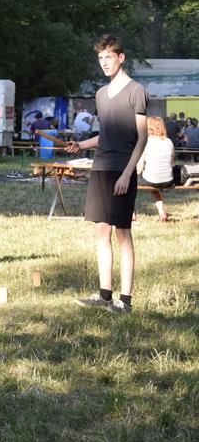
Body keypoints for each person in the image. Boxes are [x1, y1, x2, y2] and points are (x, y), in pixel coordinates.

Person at [65, 34, 148, 314]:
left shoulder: (136, 91)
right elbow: (106, 135)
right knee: (101, 229)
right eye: (100, 58)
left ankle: (125, 300)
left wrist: (127, 173)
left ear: (121, 57)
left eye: (109, 57)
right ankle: (104, 295)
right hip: (100, 168)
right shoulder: (100, 94)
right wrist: (81, 145)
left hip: (122, 169)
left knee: (122, 232)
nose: (104, 62)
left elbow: (142, 137)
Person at [136, 116, 175, 222]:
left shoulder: (145, 142)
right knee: (153, 189)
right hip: (168, 180)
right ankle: (162, 212)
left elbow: (139, 168)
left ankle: (131, 214)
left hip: (151, 179)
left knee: (129, 184)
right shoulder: (169, 141)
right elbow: (172, 163)